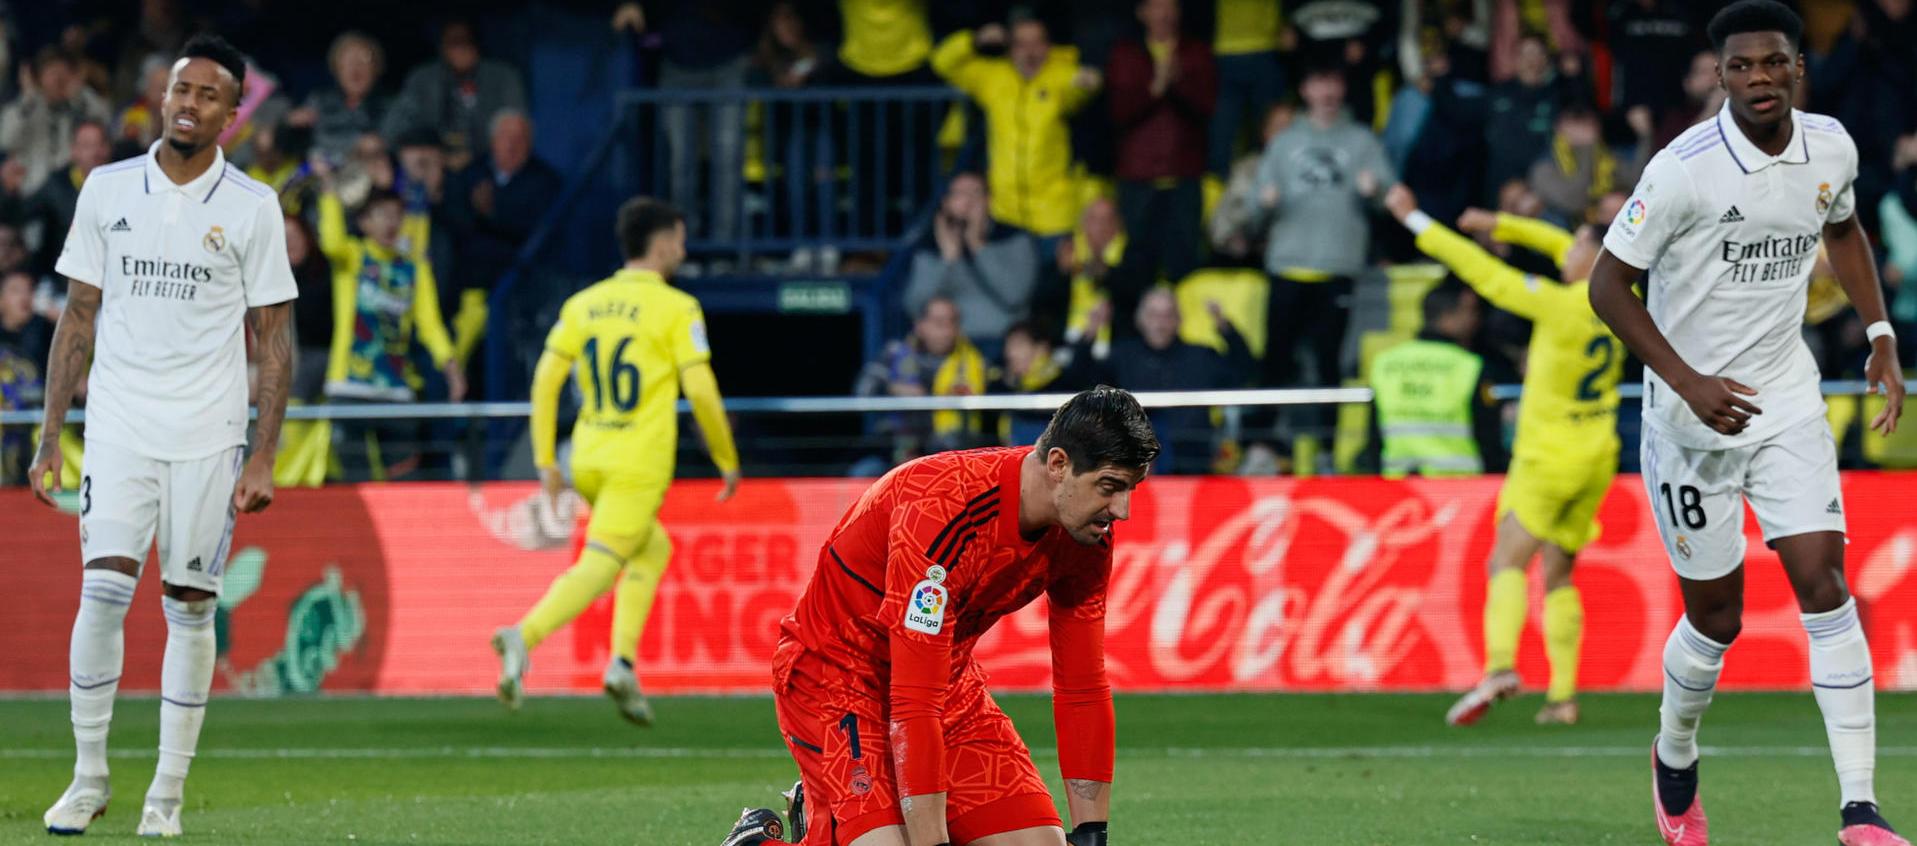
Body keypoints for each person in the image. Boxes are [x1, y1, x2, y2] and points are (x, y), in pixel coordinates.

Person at [1587, 3, 1910, 843]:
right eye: (1741, 67)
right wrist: (1687, 382)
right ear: (1721, 76)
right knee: (1716, 619)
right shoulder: (1681, 170)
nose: (1758, 78)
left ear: (1796, 67)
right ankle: (1673, 753)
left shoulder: (1830, 145)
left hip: (1784, 404)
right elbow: (1604, 286)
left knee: (1823, 587)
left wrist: (1878, 332)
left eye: (1773, 63)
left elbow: (1841, 230)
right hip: (1688, 427)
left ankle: (1860, 809)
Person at [31, 34, 298, 838]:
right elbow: (77, 317)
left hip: (208, 436)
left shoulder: (252, 206)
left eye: (208, 94)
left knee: (188, 604)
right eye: (180, 89)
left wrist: (262, 451)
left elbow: (274, 336)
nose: (188, 103)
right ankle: (88, 779)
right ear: (162, 96)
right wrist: (51, 433)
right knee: (104, 588)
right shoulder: (107, 189)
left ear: (232, 113)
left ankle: (167, 795)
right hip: (116, 426)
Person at [719, 386, 1155, 846]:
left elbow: (1081, 685)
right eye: (1110, 487)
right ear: (1059, 465)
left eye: (1130, 489)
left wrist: (1090, 834)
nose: (1121, 510)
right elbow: (912, 701)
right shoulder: (943, 510)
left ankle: (836, 818)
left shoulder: (1086, 535)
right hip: (838, 678)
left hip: (942, 680)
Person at [492, 197, 741, 725]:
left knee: (652, 550)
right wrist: (725, 456)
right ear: (665, 241)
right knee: (601, 564)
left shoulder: (586, 303)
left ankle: (622, 664)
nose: (684, 247)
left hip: (588, 457)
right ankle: (523, 636)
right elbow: (701, 389)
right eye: (680, 237)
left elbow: (545, 380)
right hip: (636, 463)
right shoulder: (677, 307)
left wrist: (546, 461)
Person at [1384, 185, 1620, 727]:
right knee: (1559, 573)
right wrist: (1502, 222)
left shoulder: (1558, 303)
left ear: (1590, 257)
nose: (1567, 248)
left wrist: (1414, 216)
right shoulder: (1621, 298)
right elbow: (1562, 243)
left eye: (1579, 243)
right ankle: (1562, 698)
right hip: (1596, 452)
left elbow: (1478, 271)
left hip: (1549, 456)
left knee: (1505, 562)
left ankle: (1499, 667)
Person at [311, 158, 464, 480]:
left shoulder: (414, 269)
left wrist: (451, 368)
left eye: (397, 215)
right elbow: (331, 240)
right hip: (349, 387)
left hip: (395, 389)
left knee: (404, 481)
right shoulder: (353, 257)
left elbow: (430, 324)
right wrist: (328, 190)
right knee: (356, 485)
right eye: (381, 215)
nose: (390, 223)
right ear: (365, 222)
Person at [932, 15, 1103, 238]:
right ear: (1010, 48)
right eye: (1022, 44)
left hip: (1053, 213)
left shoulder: (1061, 75)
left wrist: (1091, 81)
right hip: (1005, 212)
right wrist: (975, 39)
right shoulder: (992, 77)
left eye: (1037, 43)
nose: (1030, 52)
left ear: (1048, 46)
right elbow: (942, 63)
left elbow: (1085, 86)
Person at [1106, 0, 1217, 286]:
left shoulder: (1195, 52)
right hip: (1138, 178)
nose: (1164, 14)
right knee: (1136, 265)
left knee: (1184, 265)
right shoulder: (1126, 54)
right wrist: (1155, 88)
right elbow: (1119, 112)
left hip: (1183, 177)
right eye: (1156, 6)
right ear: (1141, 12)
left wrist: (1176, 83)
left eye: (1170, 6)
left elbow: (1207, 107)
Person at [1367, 278, 1499, 478]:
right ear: (1448, 316)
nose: (1476, 321)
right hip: (1464, 490)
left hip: (1399, 487)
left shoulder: (1385, 363)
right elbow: (1488, 435)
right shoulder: (1470, 366)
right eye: (1471, 312)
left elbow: (1374, 437)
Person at [903, 172, 1041, 354]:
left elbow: (1015, 296)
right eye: (959, 194)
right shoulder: (931, 244)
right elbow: (915, 306)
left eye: (975, 194)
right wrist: (947, 260)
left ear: (989, 201)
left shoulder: (1015, 238)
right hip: (949, 349)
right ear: (946, 203)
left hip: (1003, 346)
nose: (968, 202)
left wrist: (978, 246)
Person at [855, 295, 989, 462]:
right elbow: (863, 391)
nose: (947, 330)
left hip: (950, 456)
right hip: (891, 449)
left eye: (953, 322)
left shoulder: (974, 362)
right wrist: (893, 389)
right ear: (920, 325)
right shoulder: (894, 353)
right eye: (939, 323)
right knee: (864, 470)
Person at [382, 18, 528, 170]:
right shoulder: (422, 78)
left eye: (466, 41)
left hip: (489, 164)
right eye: (453, 41)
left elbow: (516, 130)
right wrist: (430, 152)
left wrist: (475, 154)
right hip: (431, 163)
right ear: (441, 46)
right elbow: (394, 128)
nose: (460, 47)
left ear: (477, 44)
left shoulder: (503, 76)